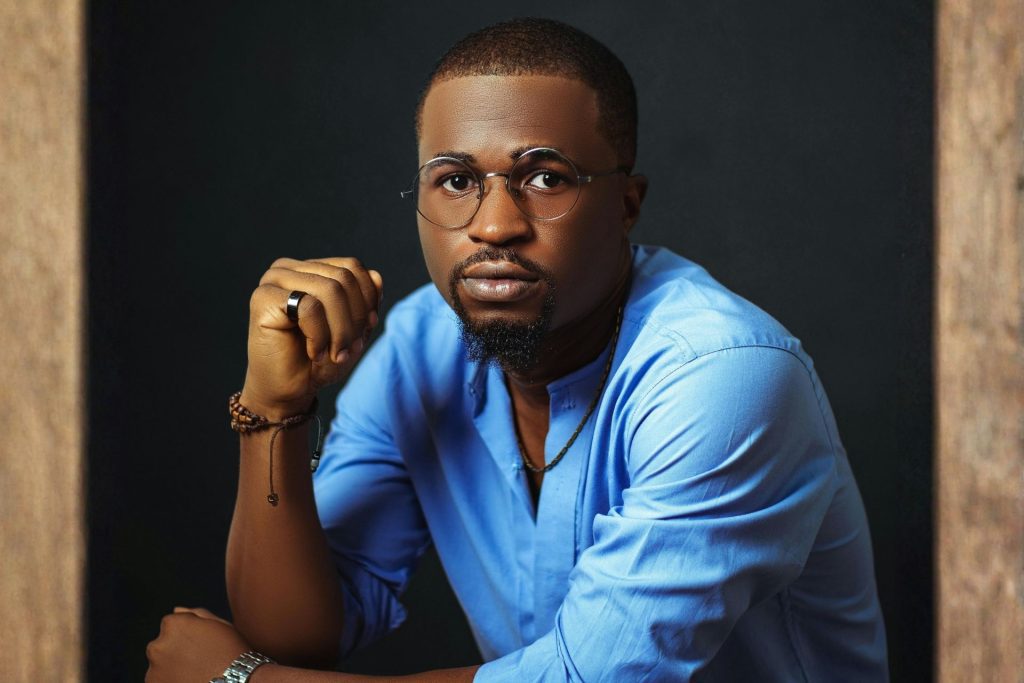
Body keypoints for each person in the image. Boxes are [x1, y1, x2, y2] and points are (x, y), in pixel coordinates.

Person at [146, 18, 888, 682]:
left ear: (627, 203)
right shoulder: (421, 342)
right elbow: (306, 630)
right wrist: (276, 409)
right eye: (457, 180)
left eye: (544, 177)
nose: (495, 225)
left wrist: (242, 682)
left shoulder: (722, 375)